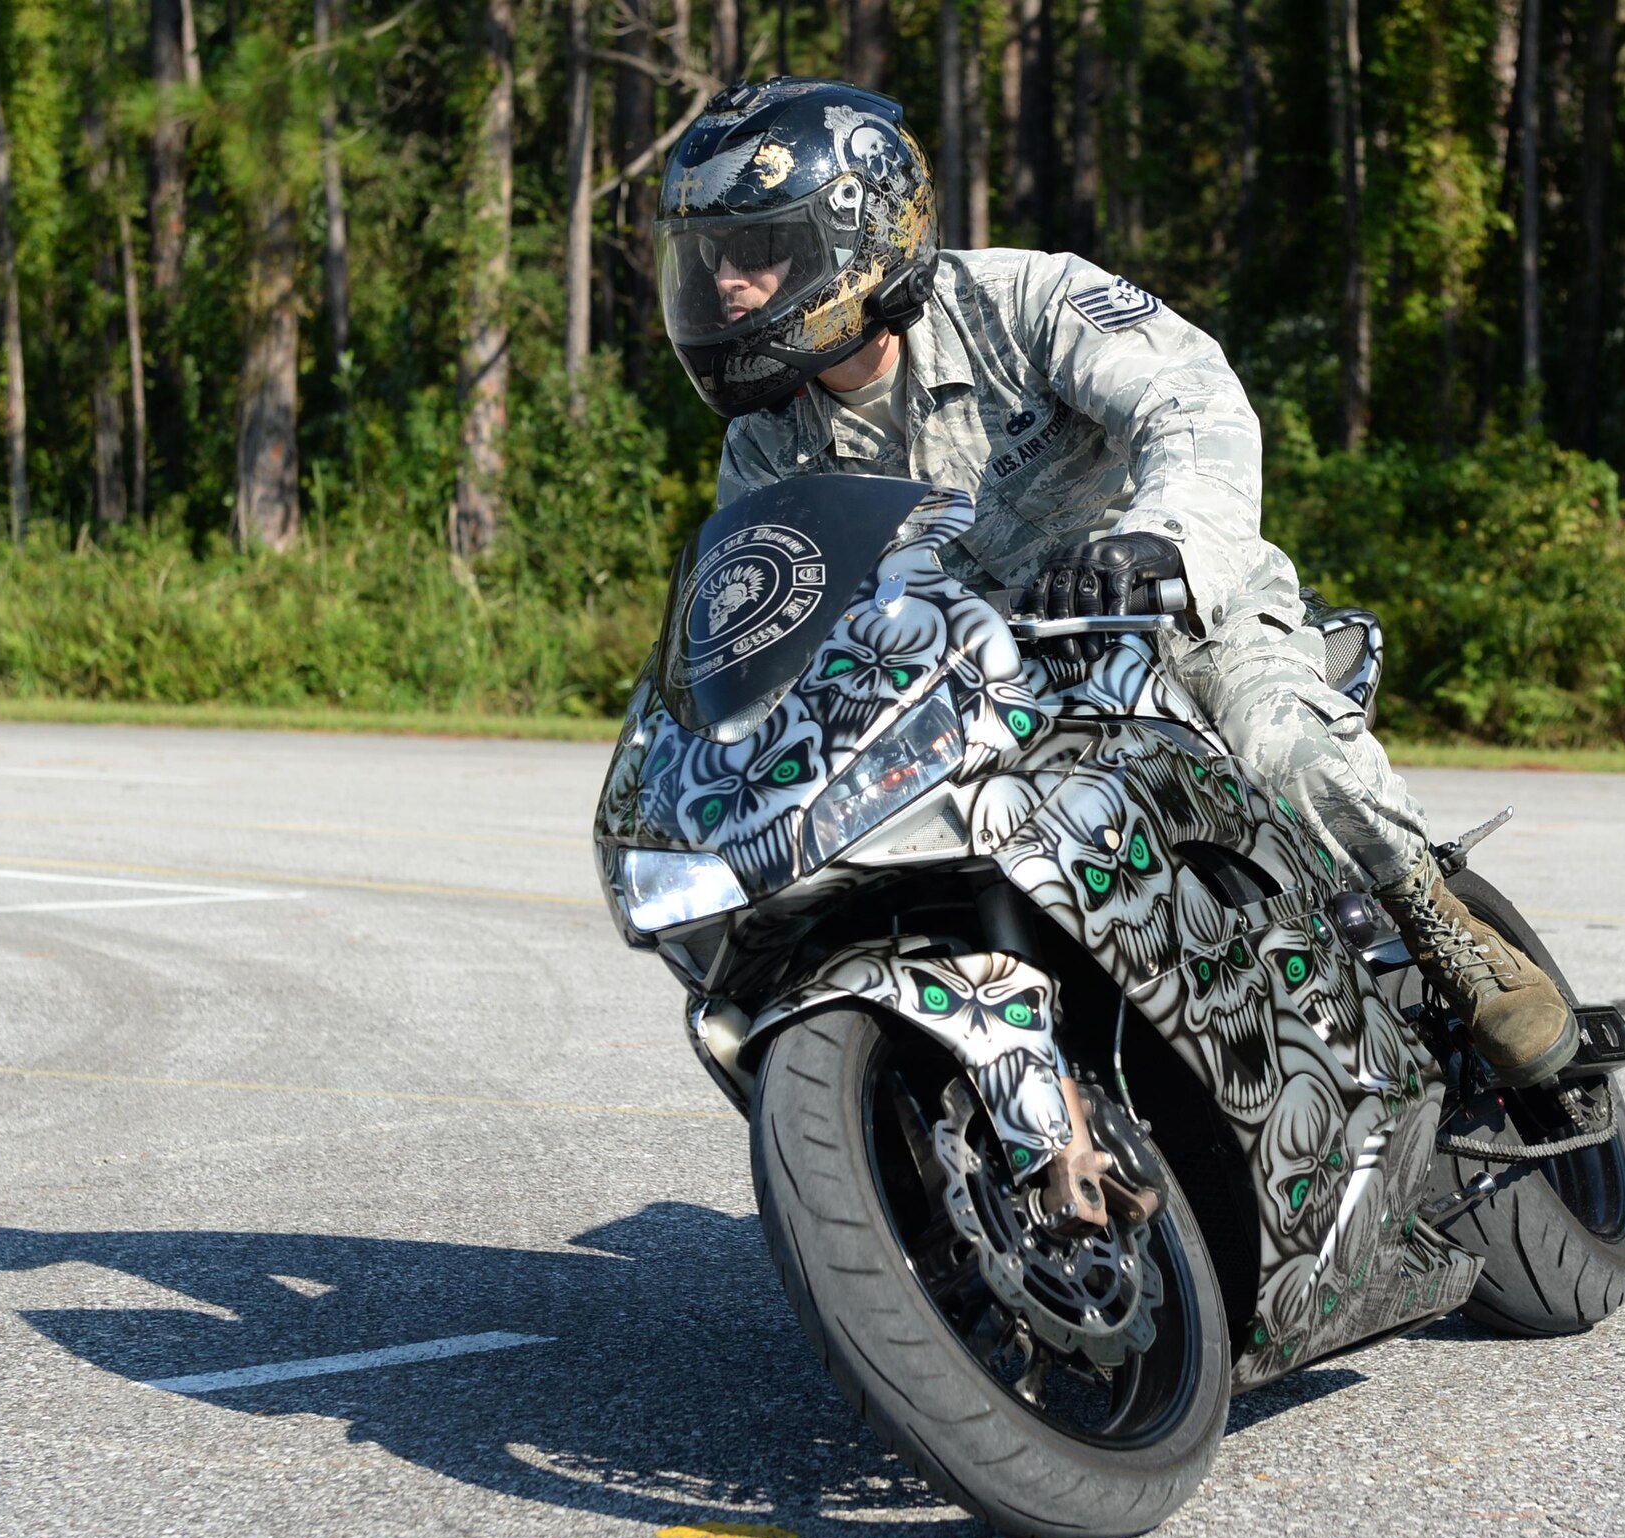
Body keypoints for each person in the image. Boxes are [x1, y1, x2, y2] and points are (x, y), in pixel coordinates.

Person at [654, 77, 1577, 1085]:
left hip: (1169, 625)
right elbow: (767, 614)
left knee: (1278, 745)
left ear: (859, 237)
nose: (728, 287)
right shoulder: (763, 444)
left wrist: (1159, 542)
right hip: (974, 697)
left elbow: (1190, 400)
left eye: (756, 252)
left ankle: (1442, 931)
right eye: (709, 261)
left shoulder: (1021, 302)